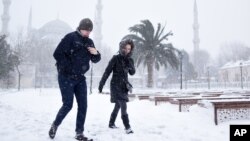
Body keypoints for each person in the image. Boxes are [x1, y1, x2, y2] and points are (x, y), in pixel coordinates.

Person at [49, 18, 101, 140]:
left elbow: (95, 60)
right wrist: (68, 67)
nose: (88, 32)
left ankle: (79, 132)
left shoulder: (90, 42)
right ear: (80, 27)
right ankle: (55, 125)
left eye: (90, 30)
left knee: (83, 105)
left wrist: (96, 53)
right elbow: (57, 54)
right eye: (86, 30)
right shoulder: (70, 37)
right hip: (66, 76)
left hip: (80, 78)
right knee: (68, 104)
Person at [98, 39, 135, 134]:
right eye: (125, 48)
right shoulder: (115, 58)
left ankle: (111, 123)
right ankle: (127, 127)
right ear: (121, 47)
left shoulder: (130, 60)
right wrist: (101, 84)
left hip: (124, 86)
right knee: (123, 104)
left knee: (118, 105)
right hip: (115, 85)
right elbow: (107, 72)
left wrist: (129, 63)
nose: (127, 50)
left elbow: (132, 73)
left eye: (129, 49)